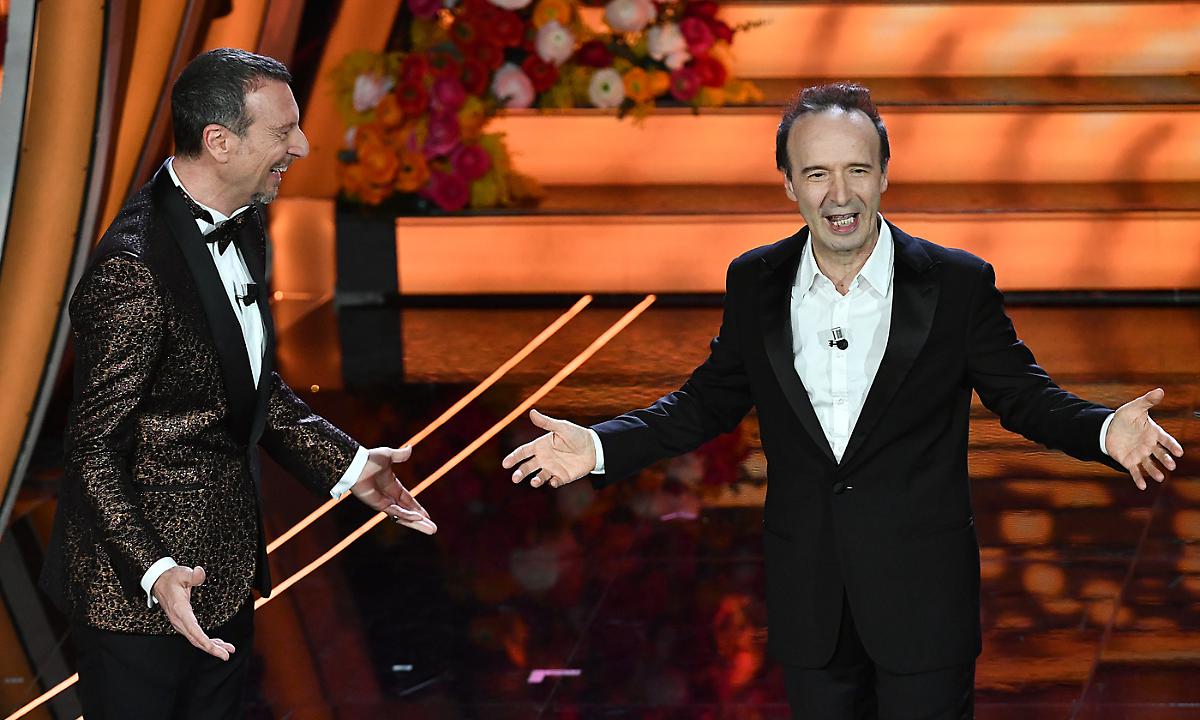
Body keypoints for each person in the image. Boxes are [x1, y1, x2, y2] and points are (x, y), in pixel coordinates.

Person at [502, 82, 1183, 719]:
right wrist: (599, 445)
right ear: (789, 183)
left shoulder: (954, 283)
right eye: (817, 173)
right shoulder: (756, 281)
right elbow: (705, 403)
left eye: (857, 169)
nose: (840, 194)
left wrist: (1103, 431)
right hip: (810, 598)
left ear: (884, 174)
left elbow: (1022, 395)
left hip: (923, 595)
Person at [39, 48, 437, 719]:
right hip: (136, 599)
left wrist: (349, 466)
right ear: (219, 142)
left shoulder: (246, 220)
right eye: (283, 132)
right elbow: (93, 449)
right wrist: (155, 569)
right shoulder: (133, 270)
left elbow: (247, 383)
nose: (302, 147)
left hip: (222, 576)